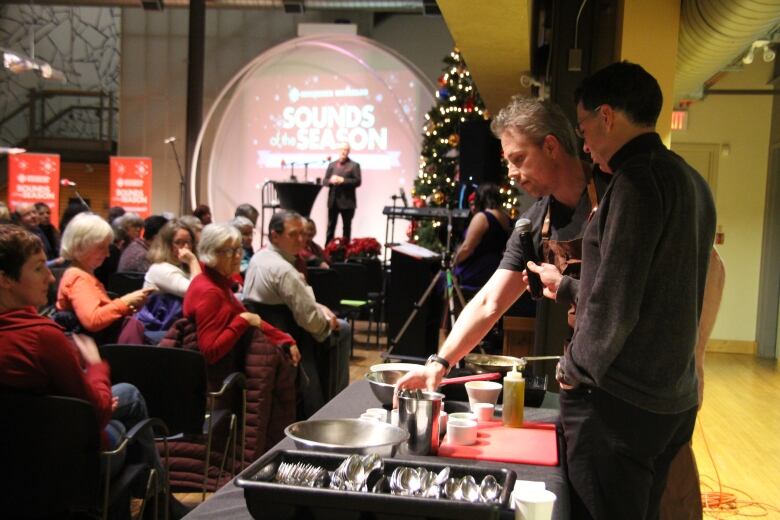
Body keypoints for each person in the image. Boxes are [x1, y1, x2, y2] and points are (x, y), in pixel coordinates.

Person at [521, 62, 716, 519]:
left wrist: (574, 369)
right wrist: (567, 286)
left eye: (584, 125)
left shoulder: (636, 180)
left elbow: (615, 302)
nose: (583, 141)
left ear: (606, 116)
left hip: (620, 405)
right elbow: (657, 290)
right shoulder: (690, 179)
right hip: (672, 399)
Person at [396, 96, 606, 388]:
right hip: (580, 373)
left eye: (518, 159)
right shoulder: (532, 223)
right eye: (507, 162)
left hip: (630, 384)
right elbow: (488, 302)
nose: (511, 173)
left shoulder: (616, 198)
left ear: (550, 146)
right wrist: (440, 363)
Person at [0, 225, 189, 519]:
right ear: (5, 280)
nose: (51, 277)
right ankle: (158, 500)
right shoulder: (40, 336)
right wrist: (97, 368)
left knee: (125, 395)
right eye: (38, 269)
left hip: (14, 463)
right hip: (64, 462)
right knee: (125, 422)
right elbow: (96, 413)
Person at [243, 210, 351, 416]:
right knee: (343, 328)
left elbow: (302, 304)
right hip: (289, 336)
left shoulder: (259, 258)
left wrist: (319, 307)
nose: (301, 240)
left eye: (303, 234)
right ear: (274, 235)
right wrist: (328, 322)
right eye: (293, 234)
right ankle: (335, 405)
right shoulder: (284, 270)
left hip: (265, 334)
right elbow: (312, 322)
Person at [183, 222, 301, 369]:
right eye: (229, 251)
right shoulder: (211, 292)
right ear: (210, 253)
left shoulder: (217, 282)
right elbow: (209, 353)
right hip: (218, 376)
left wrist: (285, 339)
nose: (238, 256)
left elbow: (251, 318)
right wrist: (242, 321)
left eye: (238, 249)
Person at [56, 213, 154, 341]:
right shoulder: (78, 277)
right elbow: (93, 320)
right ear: (81, 246)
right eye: (102, 247)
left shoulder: (81, 274)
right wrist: (125, 302)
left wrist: (129, 304)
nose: (107, 254)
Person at [451, 183, 512, 294]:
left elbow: (467, 247)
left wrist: (453, 262)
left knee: (443, 279)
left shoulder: (482, 217)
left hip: (476, 269)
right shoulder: (505, 217)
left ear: (480, 198)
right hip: (495, 268)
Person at [144, 220, 201, 298]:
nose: (186, 247)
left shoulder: (183, 265)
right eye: (178, 242)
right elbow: (197, 292)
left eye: (188, 242)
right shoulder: (159, 269)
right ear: (166, 245)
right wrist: (193, 261)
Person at [324, 143, 362, 244]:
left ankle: (345, 251)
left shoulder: (354, 165)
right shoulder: (332, 165)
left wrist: (343, 180)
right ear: (338, 150)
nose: (343, 152)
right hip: (333, 202)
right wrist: (330, 181)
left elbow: (357, 181)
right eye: (341, 149)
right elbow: (325, 181)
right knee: (330, 227)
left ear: (348, 151)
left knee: (346, 228)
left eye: (345, 150)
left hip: (347, 203)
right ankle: (327, 249)